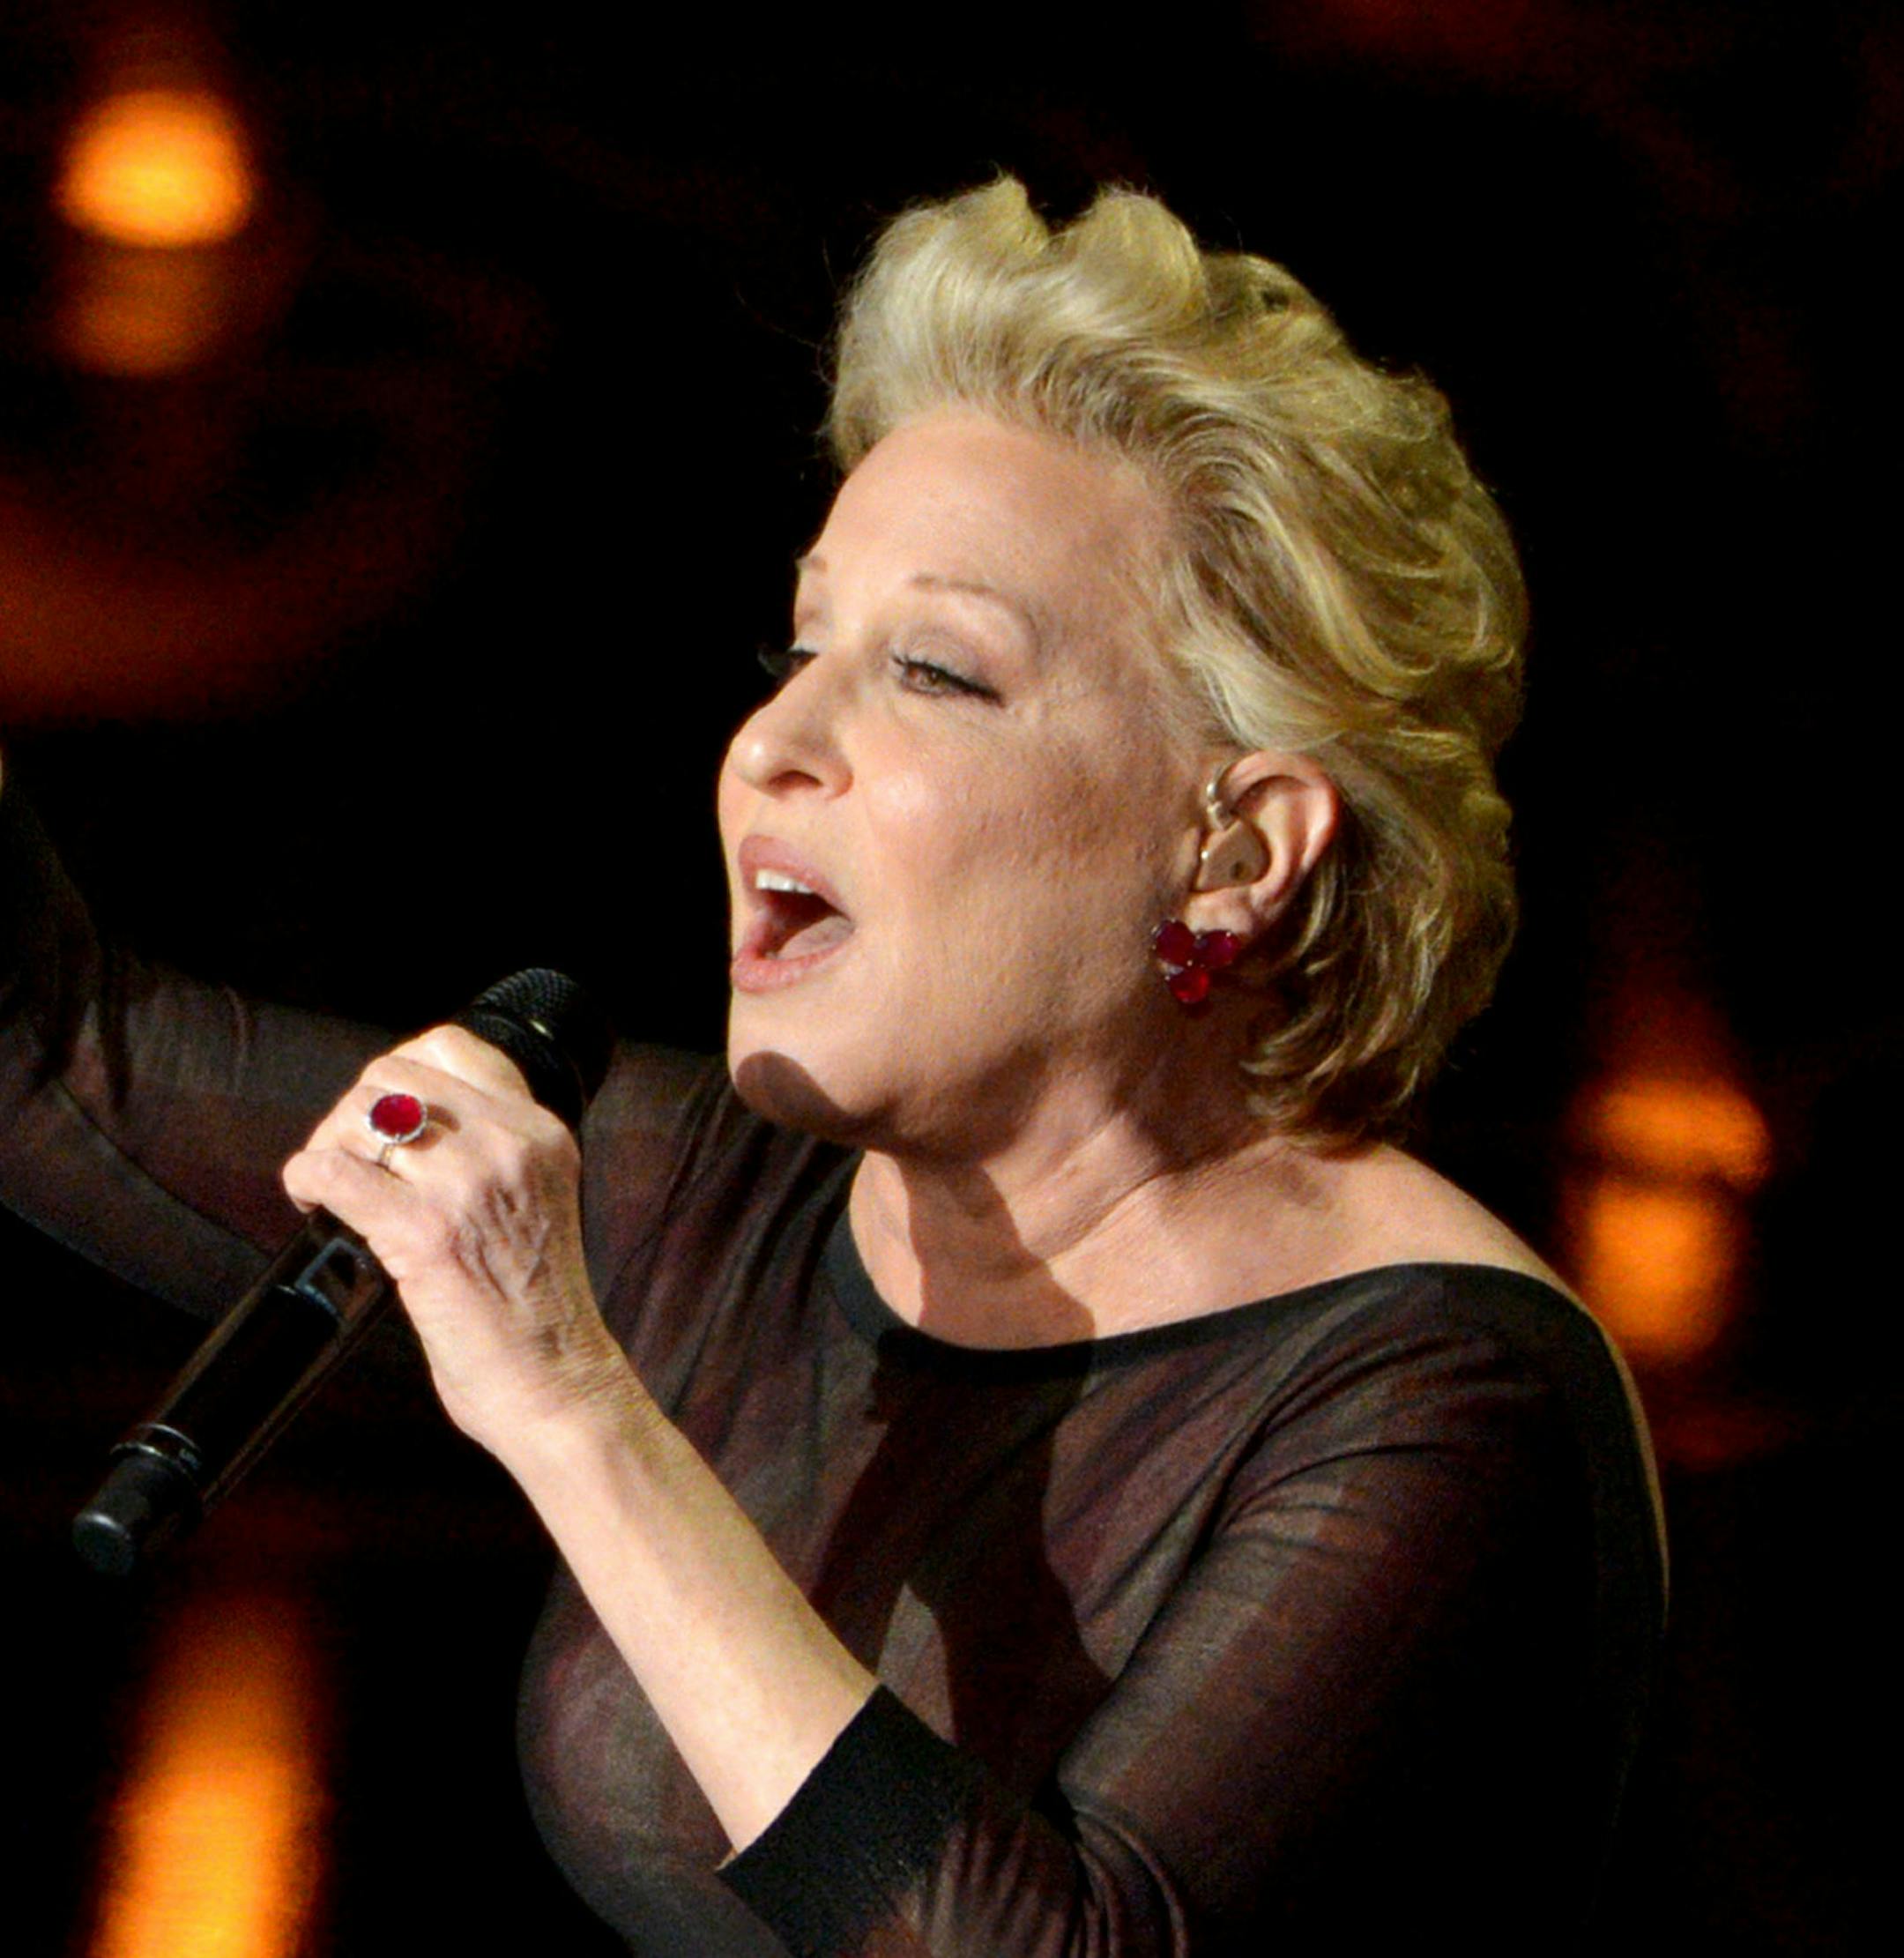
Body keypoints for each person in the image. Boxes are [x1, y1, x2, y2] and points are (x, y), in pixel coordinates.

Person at [1, 178, 1663, 1954]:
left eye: (936, 672)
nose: (776, 742)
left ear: (1238, 850)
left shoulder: (1445, 1399)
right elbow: (54, 1066)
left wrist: (571, 1404)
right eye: (802, 650)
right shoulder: (723, 1200)